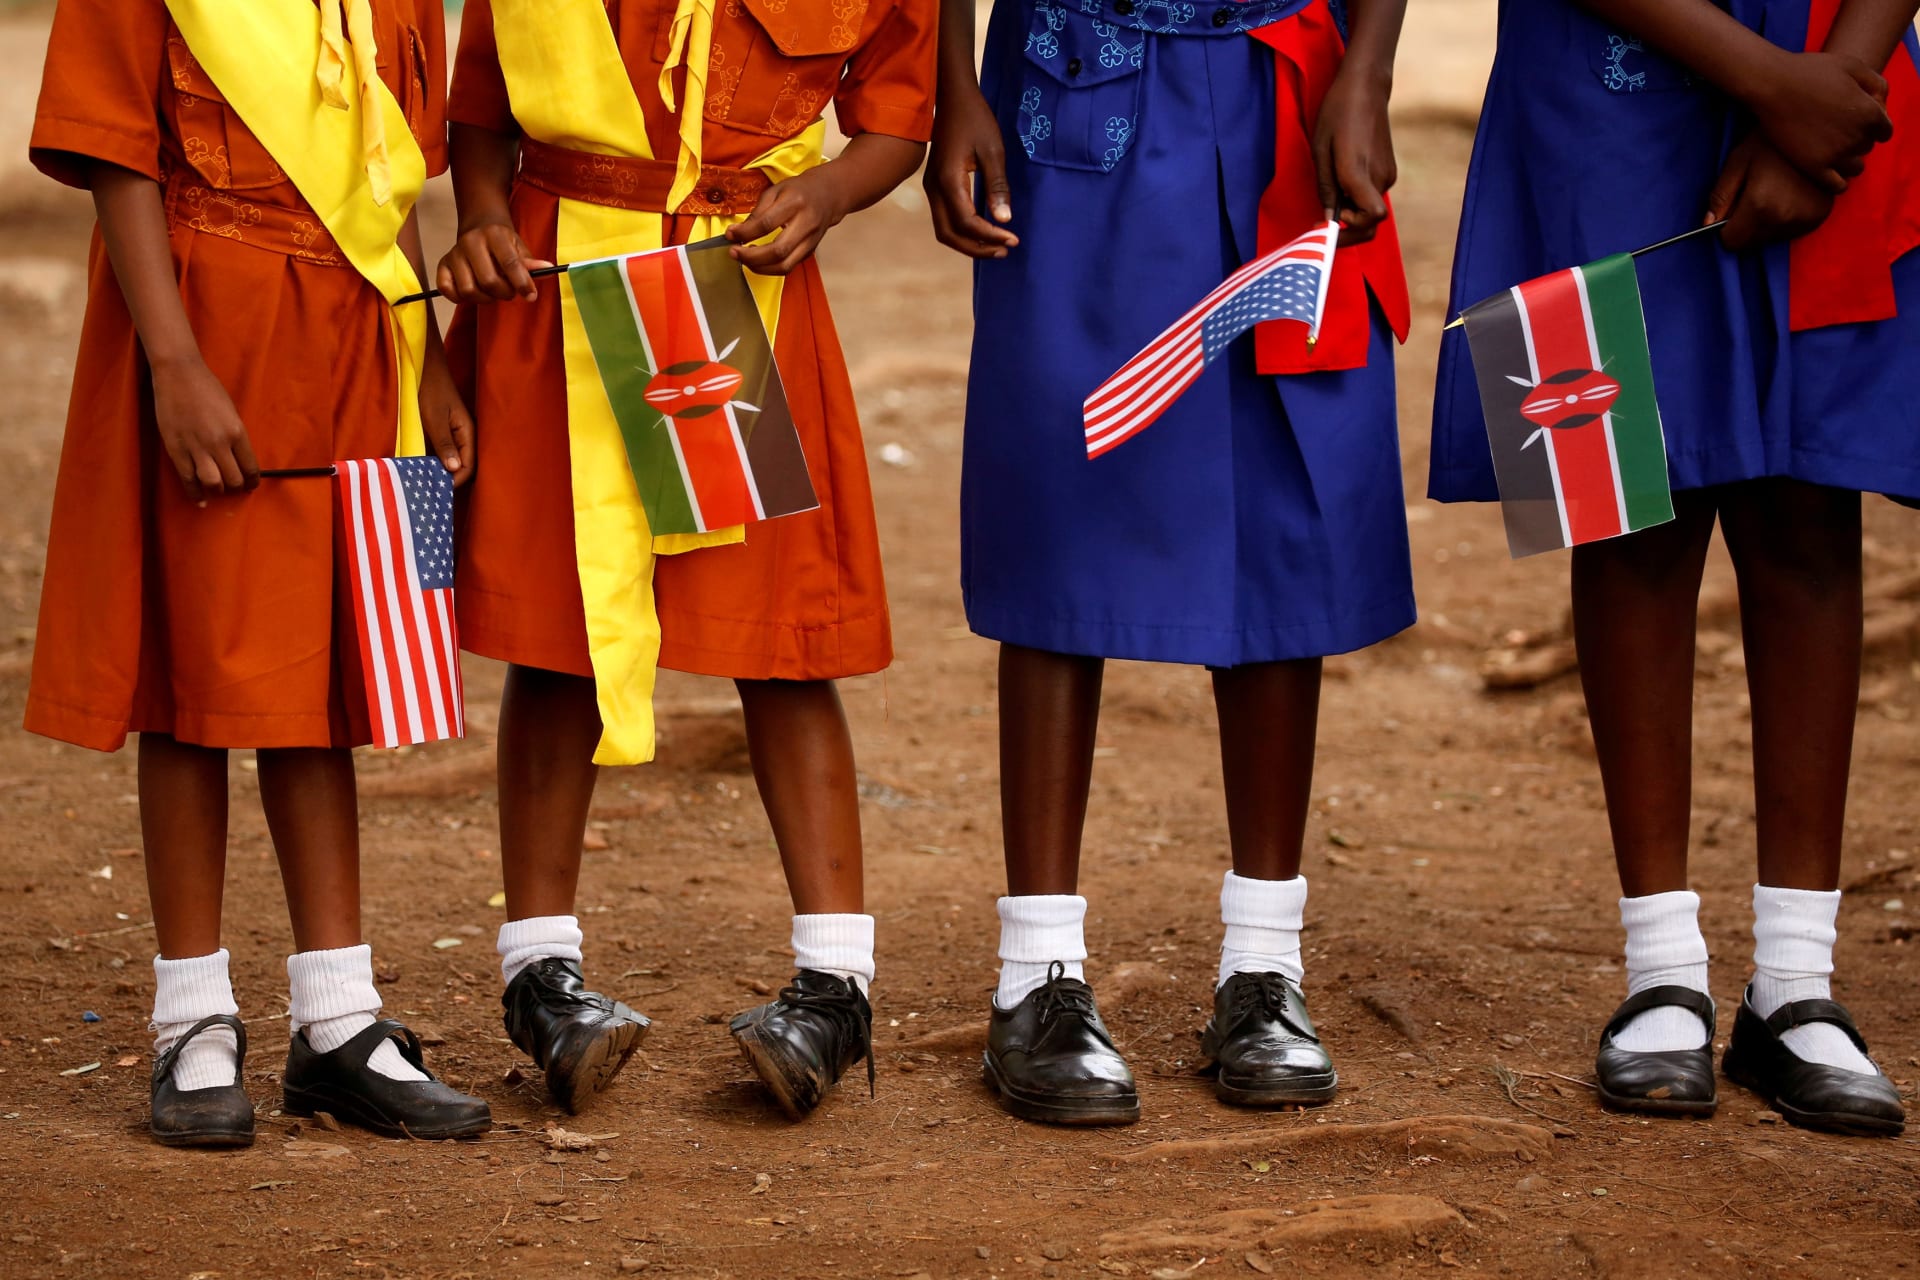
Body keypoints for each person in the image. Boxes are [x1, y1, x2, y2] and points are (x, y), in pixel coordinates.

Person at [435, 0, 934, 1120]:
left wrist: (832, 192)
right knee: (562, 636)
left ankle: (834, 984)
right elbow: (481, 109)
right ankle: (541, 974)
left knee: (784, 639)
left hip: (729, 292)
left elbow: (900, 115)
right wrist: (478, 214)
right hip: (557, 286)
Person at [1431, 0, 1916, 1136]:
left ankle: (1797, 979)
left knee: (1807, 500)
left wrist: (1830, 89)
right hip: (1604, 89)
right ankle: (1661, 965)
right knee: (1626, 502)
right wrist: (1768, 83)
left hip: (1827, 50)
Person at [927, 0, 1415, 1123]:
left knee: (1278, 512)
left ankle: (1264, 967)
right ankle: (1036, 975)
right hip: (1073, 82)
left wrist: (1371, 70)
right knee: (1064, 498)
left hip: (1285, 81)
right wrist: (954, 82)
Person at [25, 0, 490, 1146]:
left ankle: (337, 1018)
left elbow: (381, 184)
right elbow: (118, 155)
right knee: (191, 680)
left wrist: (425, 348)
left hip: (356, 335)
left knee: (326, 674)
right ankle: (193, 1014)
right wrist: (173, 362)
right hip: (206, 324)